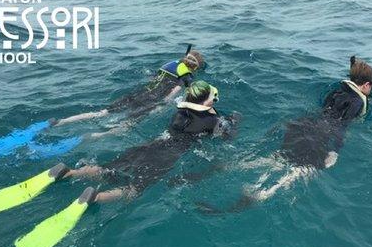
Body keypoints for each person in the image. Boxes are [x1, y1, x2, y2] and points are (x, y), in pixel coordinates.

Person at [199, 56, 372, 212]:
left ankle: (233, 166)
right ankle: (262, 194)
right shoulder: (358, 101)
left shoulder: (337, 90)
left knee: (281, 159)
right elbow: (341, 126)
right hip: (321, 135)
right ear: (366, 85)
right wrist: (335, 150)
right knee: (301, 170)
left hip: (303, 125)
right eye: (371, 88)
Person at [57, 80, 239, 204]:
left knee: (110, 167)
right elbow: (226, 137)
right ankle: (97, 197)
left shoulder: (180, 112)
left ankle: (71, 172)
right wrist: (232, 121)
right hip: (169, 156)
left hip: (153, 144)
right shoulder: (213, 121)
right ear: (208, 101)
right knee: (135, 189)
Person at [50, 47, 205, 129]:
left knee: (101, 113)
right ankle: (97, 136)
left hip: (140, 92)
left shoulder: (170, 65)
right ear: (195, 68)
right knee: (128, 123)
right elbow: (174, 92)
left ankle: (61, 122)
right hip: (151, 100)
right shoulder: (187, 76)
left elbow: (154, 78)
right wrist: (164, 105)